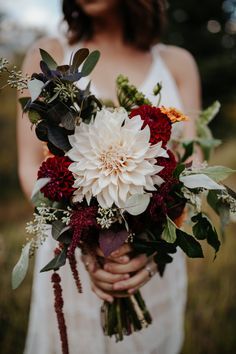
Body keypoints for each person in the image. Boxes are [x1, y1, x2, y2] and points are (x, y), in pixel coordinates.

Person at [17, 1, 201, 353]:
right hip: (76, 258)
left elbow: (193, 160)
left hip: (154, 260)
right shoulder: (51, 53)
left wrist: (151, 245)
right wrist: (84, 241)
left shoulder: (178, 63)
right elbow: (30, 165)